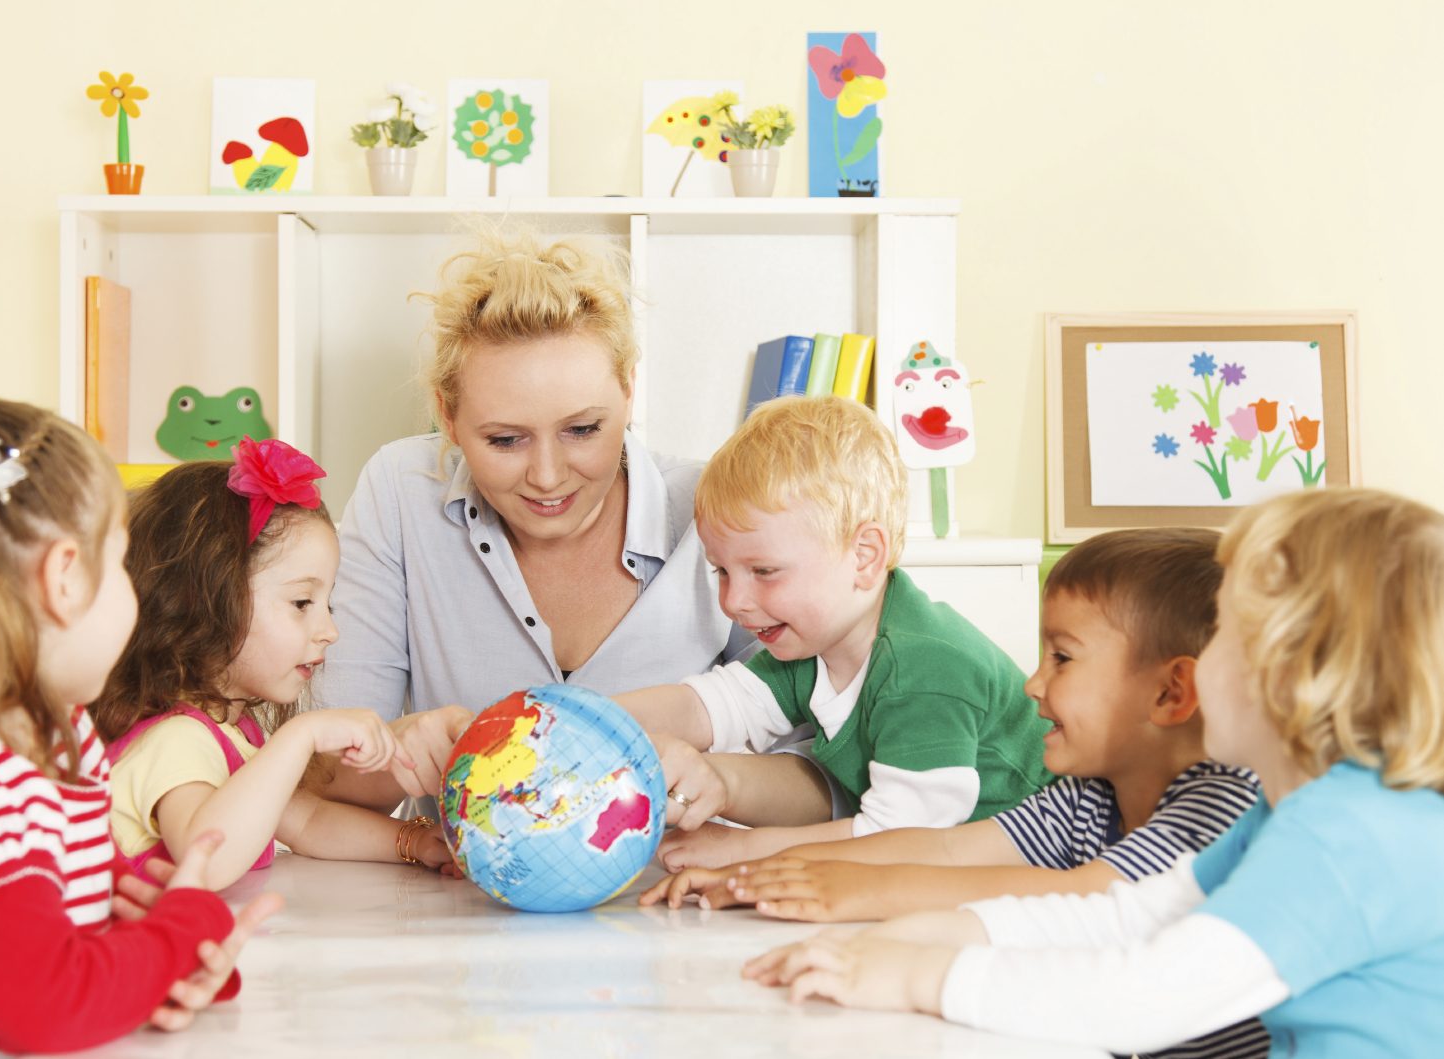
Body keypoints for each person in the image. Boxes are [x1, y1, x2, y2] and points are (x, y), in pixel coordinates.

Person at [748, 488, 1444, 1059]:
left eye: (1226, 629)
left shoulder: (1350, 838)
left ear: (1301, 671)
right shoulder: (1303, 812)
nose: (1203, 658)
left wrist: (919, 975)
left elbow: (1150, 994)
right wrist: (903, 938)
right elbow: (1123, 917)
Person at [320, 226, 833, 826]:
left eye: (582, 430)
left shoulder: (715, 511)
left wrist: (721, 778)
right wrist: (399, 748)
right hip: (461, 905)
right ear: (448, 416)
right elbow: (324, 780)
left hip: (683, 902)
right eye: (505, 440)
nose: (546, 476)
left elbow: (833, 773)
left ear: (628, 391)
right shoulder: (400, 493)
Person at [0, 398, 278, 1058]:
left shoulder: (46, 745)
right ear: (63, 577)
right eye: (120, 563)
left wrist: (180, 958)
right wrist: (180, 932)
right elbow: (44, 1009)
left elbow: (72, 941)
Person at [643, 527, 1259, 919]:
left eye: (1062, 659)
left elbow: (1091, 897)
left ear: (1171, 692)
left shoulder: (1227, 806)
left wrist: (850, 890)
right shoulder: (1085, 799)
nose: (1033, 684)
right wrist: (762, 876)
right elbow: (945, 847)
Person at [618, 395, 1051, 870]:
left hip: (1047, 873)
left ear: (864, 557)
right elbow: (709, 705)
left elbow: (899, 840)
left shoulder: (924, 667)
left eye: (763, 570)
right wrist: (587, 720)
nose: (733, 600)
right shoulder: (813, 646)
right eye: (721, 571)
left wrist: (740, 850)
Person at [93, 438, 454, 890]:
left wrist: (414, 842)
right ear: (205, 600)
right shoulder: (176, 739)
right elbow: (205, 861)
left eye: (329, 604)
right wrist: (301, 736)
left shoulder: (231, 732)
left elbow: (309, 822)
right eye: (302, 602)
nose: (330, 631)